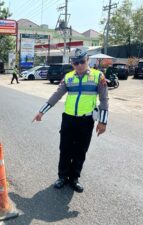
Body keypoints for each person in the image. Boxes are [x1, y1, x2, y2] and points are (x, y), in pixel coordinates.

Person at [33, 48, 109, 193]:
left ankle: (74, 178)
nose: (79, 65)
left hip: (86, 121)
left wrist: (103, 122)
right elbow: (56, 96)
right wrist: (41, 112)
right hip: (68, 119)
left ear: (87, 61)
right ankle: (62, 177)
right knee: (65, 149)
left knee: (81, 151)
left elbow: (104, 100)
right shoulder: (68, 77)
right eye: (76, 63)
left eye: (82, 62)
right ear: (72, 63)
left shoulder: (98, 76)